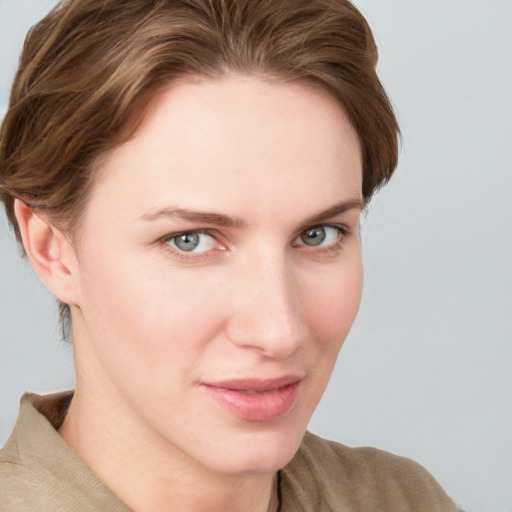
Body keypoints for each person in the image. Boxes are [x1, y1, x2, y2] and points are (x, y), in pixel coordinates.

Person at [0, 0, 462, 510]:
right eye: (190, 240)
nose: (278, 331)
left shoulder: (399, 500)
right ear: (52, 249)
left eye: (318, 234)